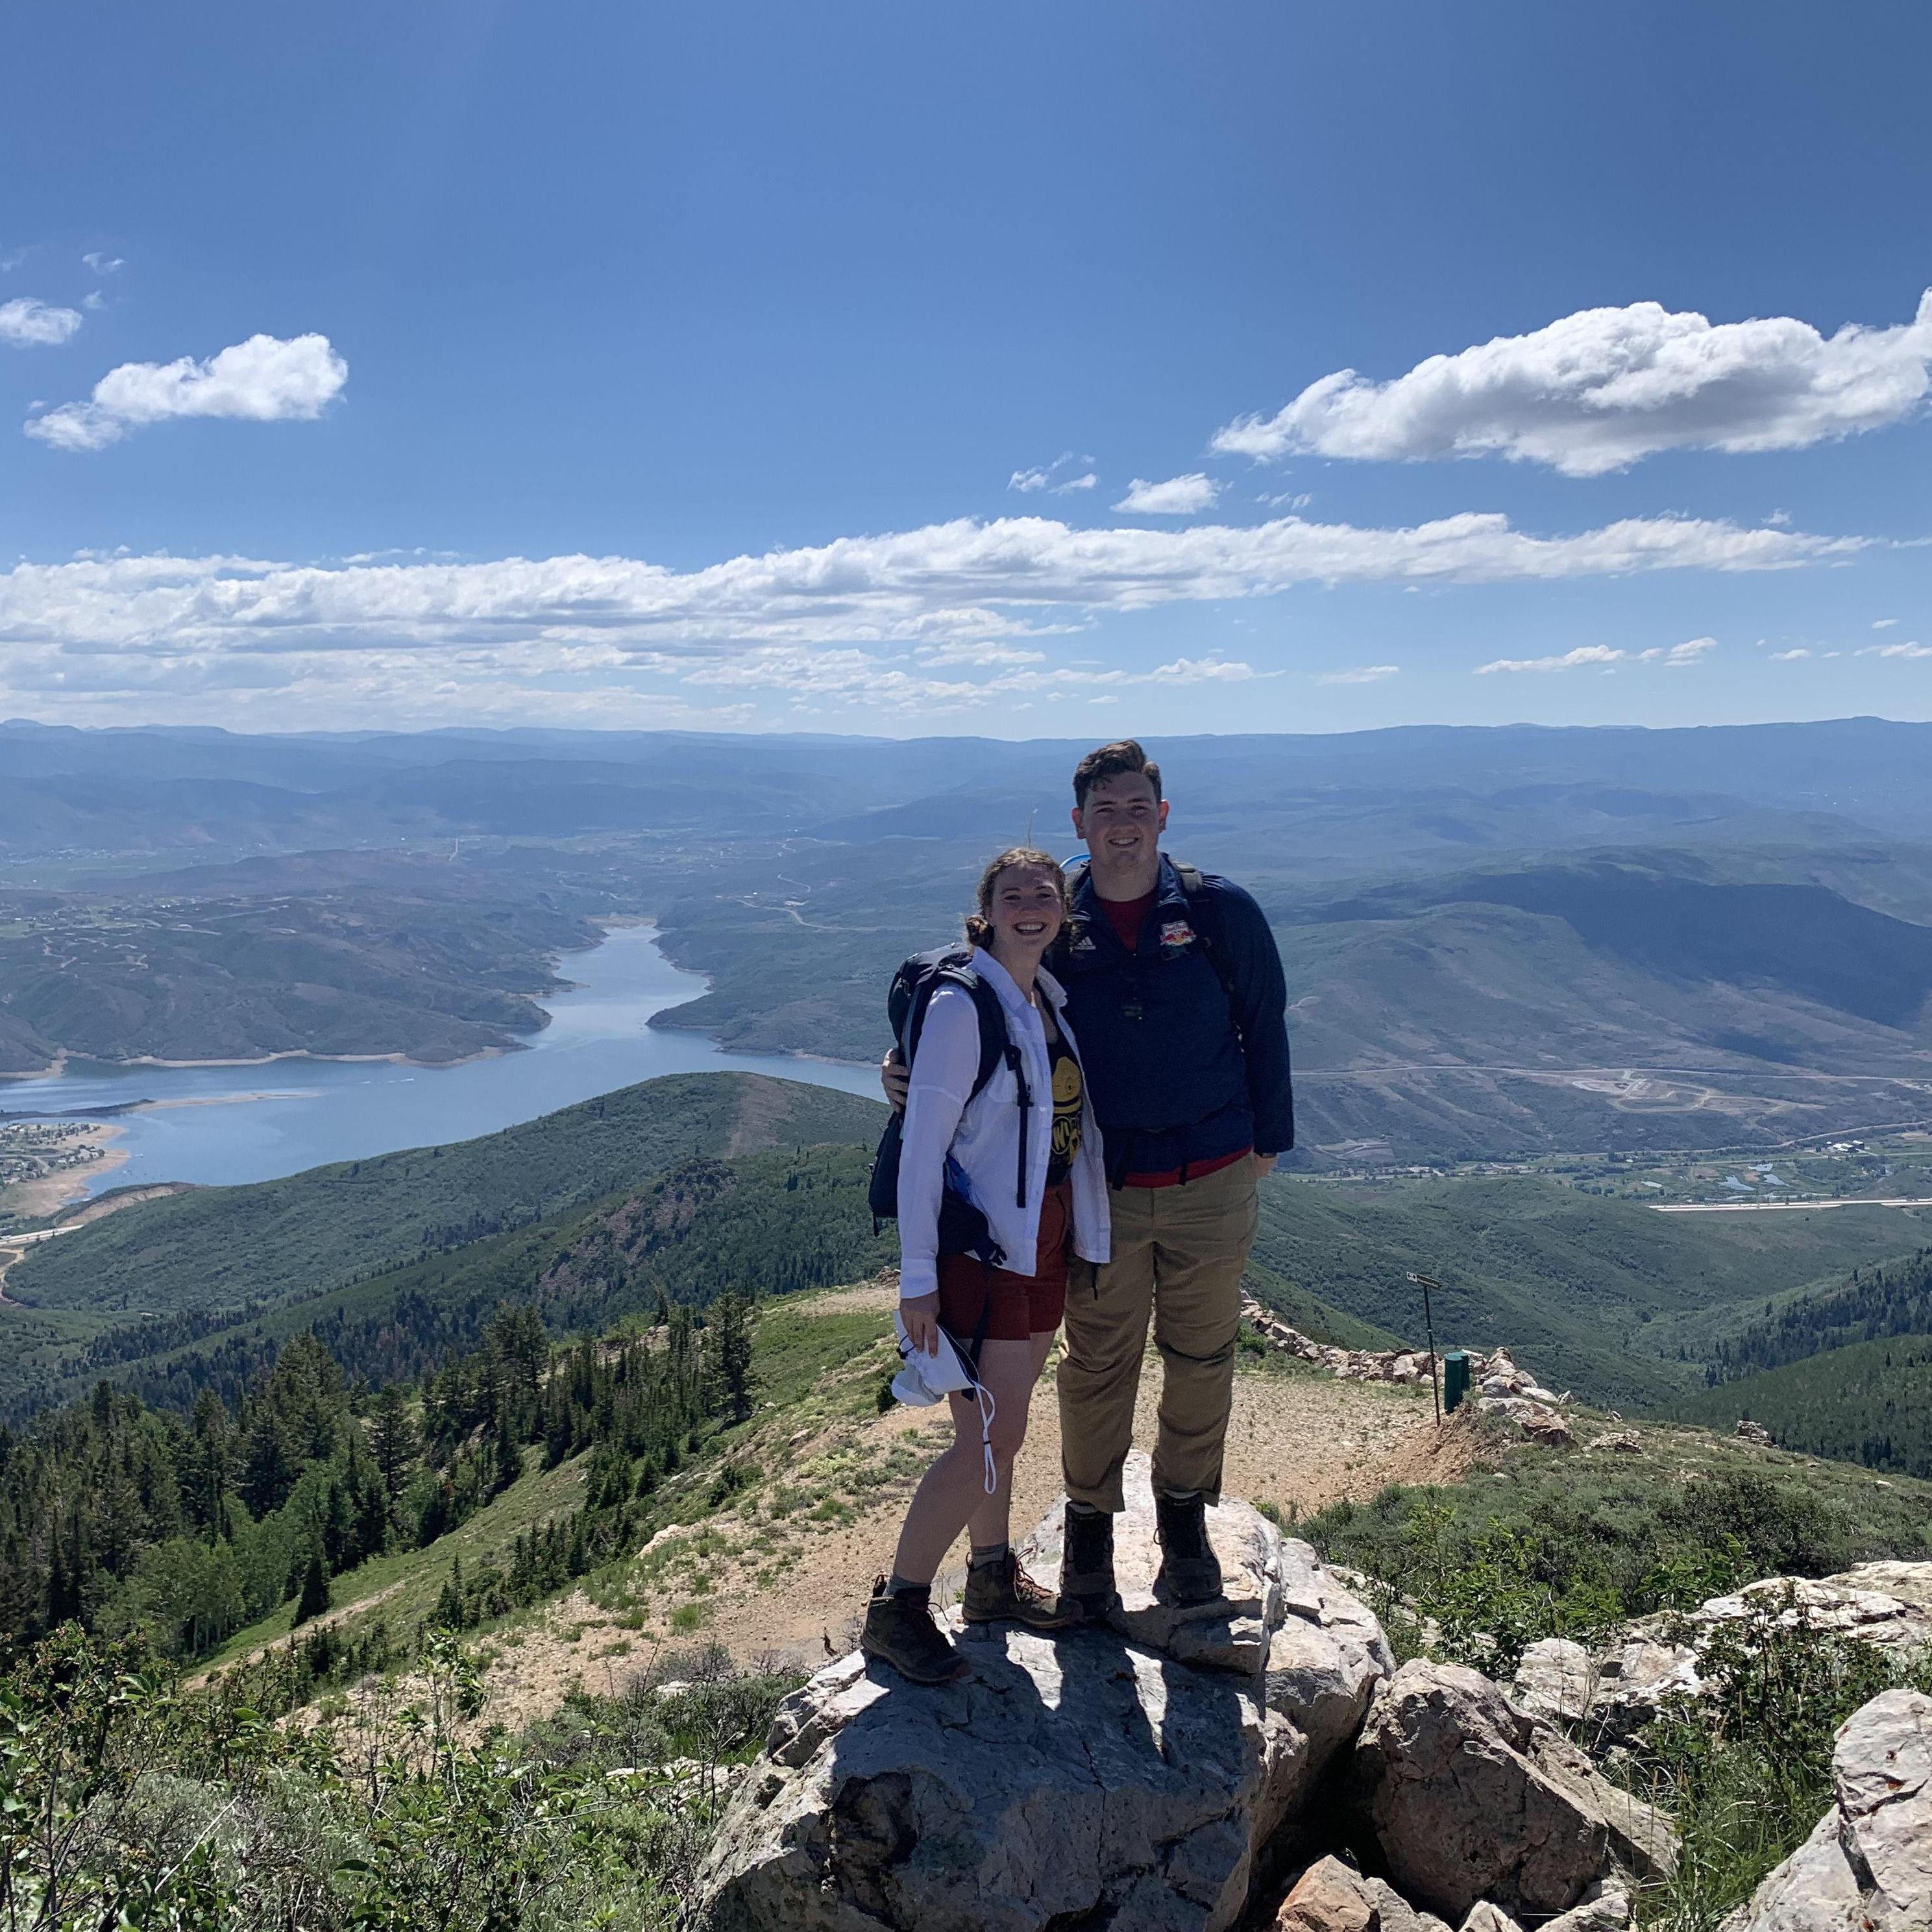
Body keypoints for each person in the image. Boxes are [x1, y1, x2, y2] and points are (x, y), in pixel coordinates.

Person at [882, 742, 1292, 1615]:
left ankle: (1183, 1521)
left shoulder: (1221, 912)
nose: (1121, 825)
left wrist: (1269, 1141)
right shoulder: (1058, 921)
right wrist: (903, 1061)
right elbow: (978, 982)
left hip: (1213, 1175)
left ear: (1162, 815)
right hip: (1101, 1191)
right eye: (1103, 810)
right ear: (1079, 823)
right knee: (1098, 1363)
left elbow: (1265, 1020)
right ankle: (1091, 1535)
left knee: (1201, 1357)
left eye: (1136, 807)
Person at [860, 846, 1112, 1686]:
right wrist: (916, 1278)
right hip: (980, 1251)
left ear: (1061, 911)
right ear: (987, 909)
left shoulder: (1044, 996)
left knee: (1007, 1427)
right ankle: (897, 1607)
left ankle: (992, 1577)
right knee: (987, 1438)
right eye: (1015, 895)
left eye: (1045, 893)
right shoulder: (962, 1004)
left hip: (1041, 1233)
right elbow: (922, 1149)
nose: (1032, 905)